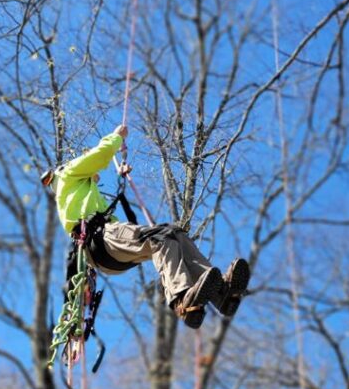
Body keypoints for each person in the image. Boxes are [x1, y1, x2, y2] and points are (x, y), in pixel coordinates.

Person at [42, 125, 250, 328]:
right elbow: (101, 154)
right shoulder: (68, 173)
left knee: (173, 234)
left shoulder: (81, 194)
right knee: (161, 238)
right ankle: (181, 298)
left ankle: (221, 294)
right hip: (101, 240)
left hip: (109, 252)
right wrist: (116, 137)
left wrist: (120, 176)